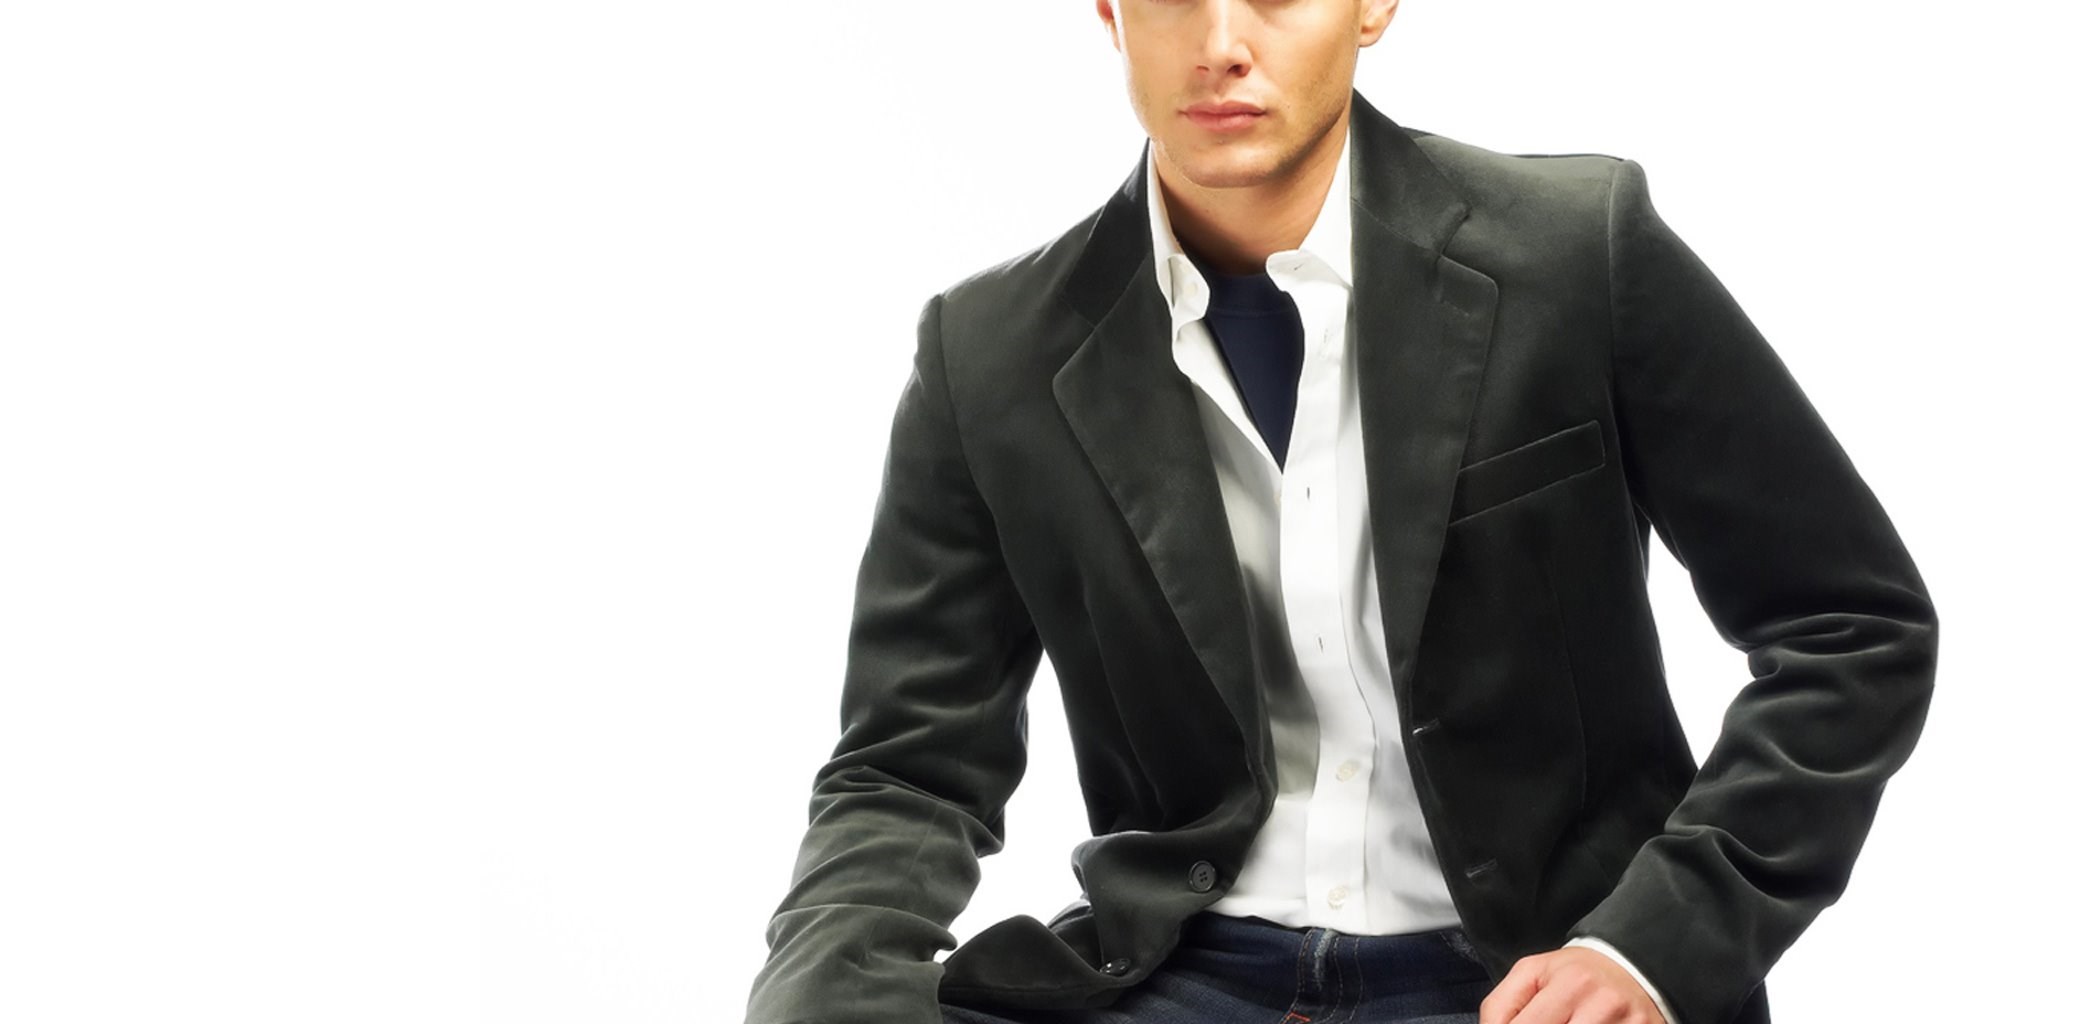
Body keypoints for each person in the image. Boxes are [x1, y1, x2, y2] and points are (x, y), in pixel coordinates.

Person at [743, 2, 1939, 1022]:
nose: (1220, 42)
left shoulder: (1575, 253)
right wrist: (826, 1002)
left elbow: (1849, 626)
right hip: (1174, 974)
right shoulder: (990, 352)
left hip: (1522, 976)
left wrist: (1652, 945)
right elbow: (906, 768)